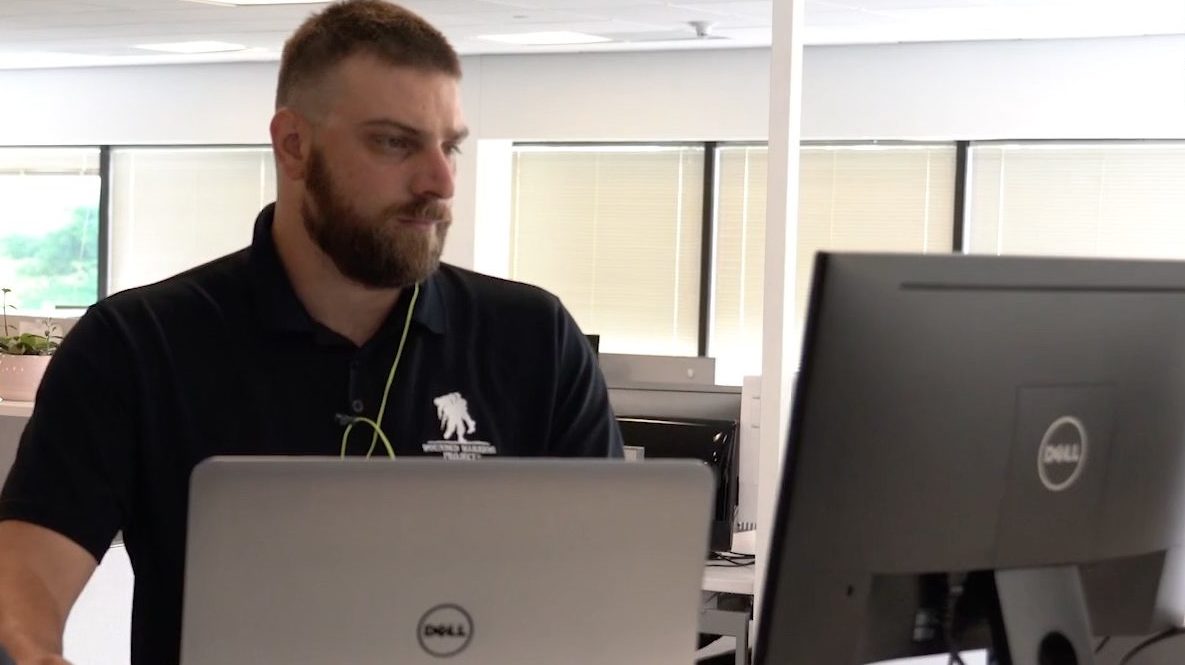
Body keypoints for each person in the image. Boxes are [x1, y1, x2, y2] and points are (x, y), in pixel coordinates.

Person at [0, 1, 623, 663]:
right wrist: (37, 653)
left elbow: (610, 588)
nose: (439, 180)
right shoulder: (138, 343)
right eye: (394, 141)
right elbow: (27, 569)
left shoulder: (534, 340)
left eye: (449, 147)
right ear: (294, 145)